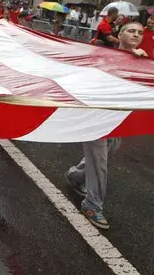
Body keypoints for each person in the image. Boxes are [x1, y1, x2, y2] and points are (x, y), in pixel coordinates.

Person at [65, 21, 147, 230]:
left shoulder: (142, 61)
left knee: (108, 152)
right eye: (131, 31)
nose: (136, 35)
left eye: (140, 32)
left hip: (116, 119)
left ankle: (75, 176)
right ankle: (92, 204)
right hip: (95, 117)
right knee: (99, 162)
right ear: (120, 36)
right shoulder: (104, 56)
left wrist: (143, 65)